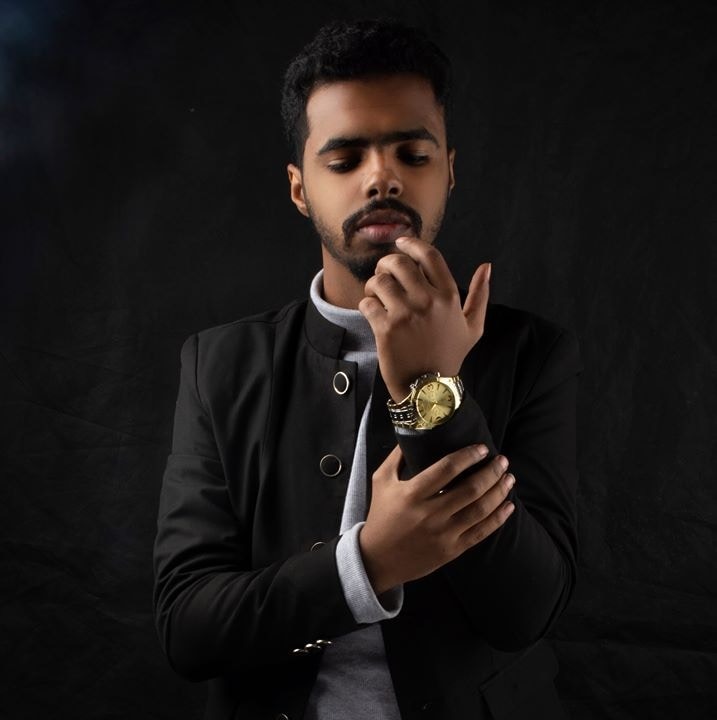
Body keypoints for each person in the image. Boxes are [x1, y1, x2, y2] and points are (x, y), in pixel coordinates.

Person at [153, 18, 581, 720]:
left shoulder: (530, 354)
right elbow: (188, 629)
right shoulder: (219, 365)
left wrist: (430, 389)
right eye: (345, 159)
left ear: (448, 171)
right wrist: (370, 562)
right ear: (299, 189)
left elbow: (524, 611)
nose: (381, 177)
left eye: (412, 153)